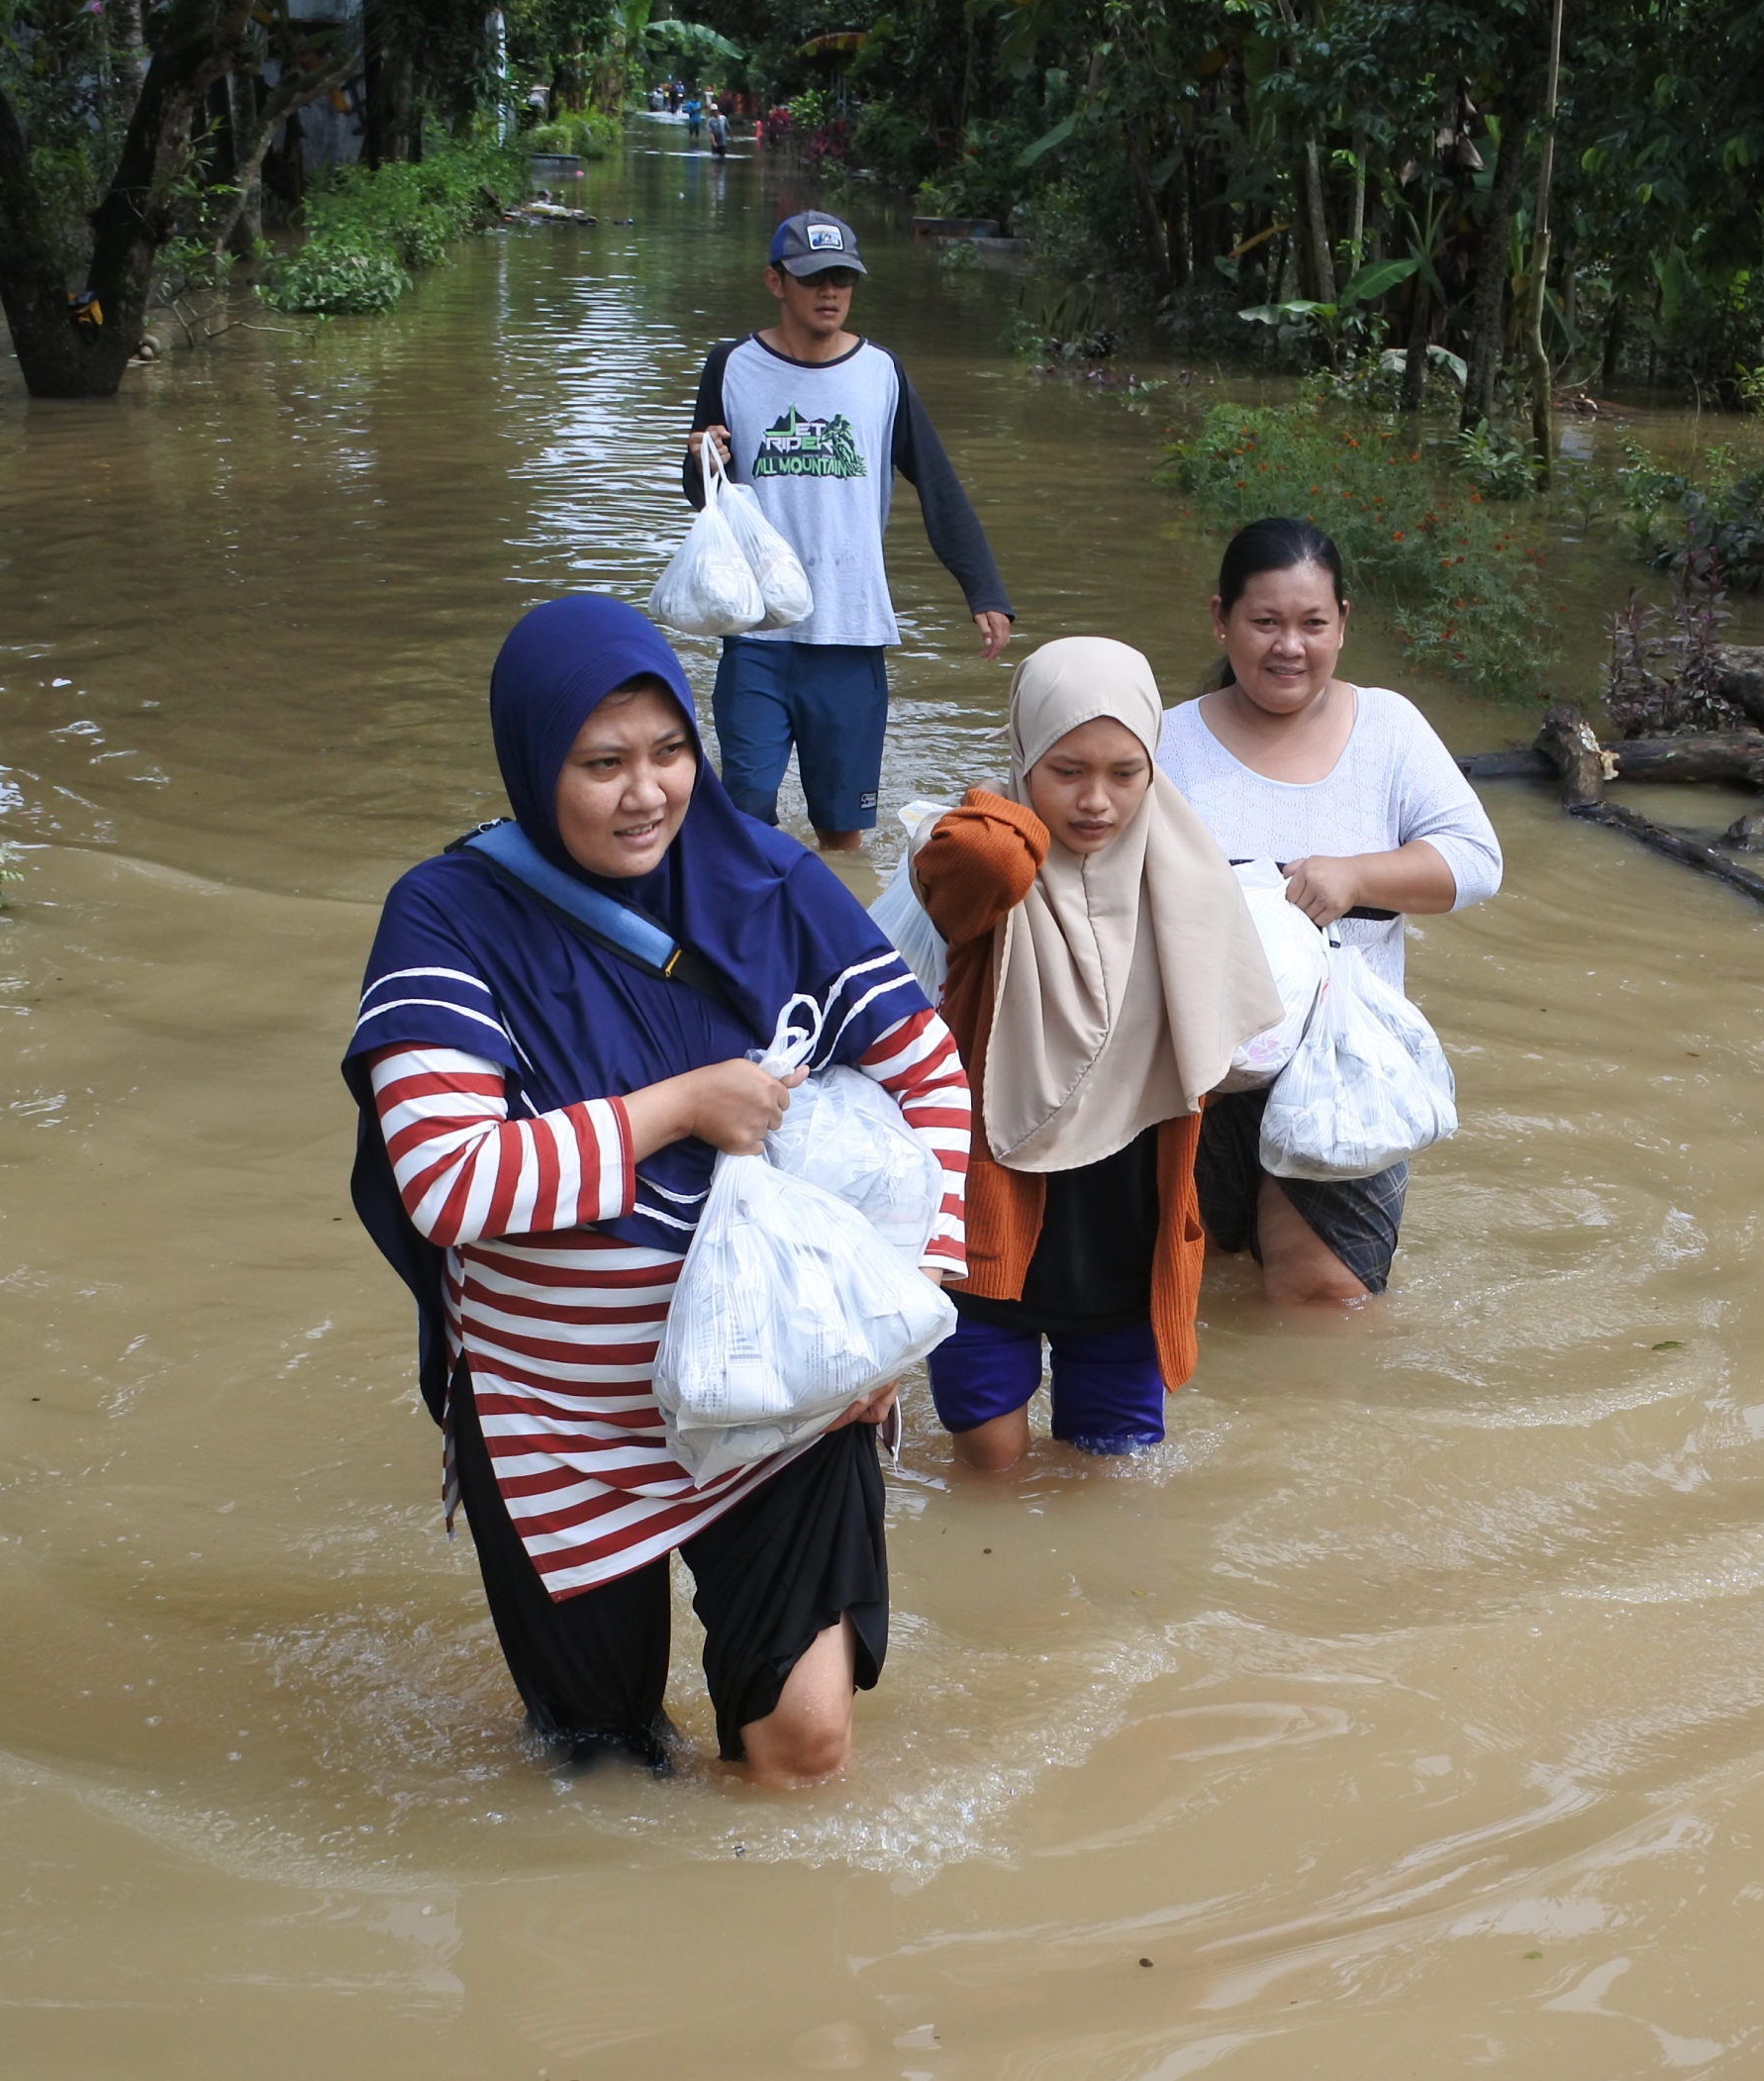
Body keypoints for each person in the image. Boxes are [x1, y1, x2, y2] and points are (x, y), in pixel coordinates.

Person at [342, 595, 973, 1786]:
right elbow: (448, 1181)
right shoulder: (449, 917)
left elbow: (930, 1079)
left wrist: (904, 1310)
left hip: (787, 1395)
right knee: (603, 1767)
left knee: (803, 1744)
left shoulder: (770, 884)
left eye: (670, 750)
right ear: (535, 762)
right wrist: (677, 1107)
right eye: (602, 763)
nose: (647, 793)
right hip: (554, 1427)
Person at [908, 640, 1281, 1473]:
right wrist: (1012, 811)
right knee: (990, 1468)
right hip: (988, 1231)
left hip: (1127, 1233)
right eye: (1065, 768)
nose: (1096, 802)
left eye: (1126, 772)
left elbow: (1220, 1064)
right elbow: (977, 856)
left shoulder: (1187, 875)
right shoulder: (984, 875)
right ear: (1021, 752)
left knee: (1114, 1478)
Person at [1157, 518, 1502, 1309]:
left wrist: (1354, 877)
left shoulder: (1387, 729)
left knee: (1324, 1294)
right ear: (1221, 619)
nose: (1290, 646)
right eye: (1265, 622)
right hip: (1200, 1073)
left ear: (1343, 622)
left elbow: (1477, 863)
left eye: (1313, 623)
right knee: (1194, 1286)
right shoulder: (1167, 743)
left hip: (1347, 1066)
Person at [679, 210, 1013, 853]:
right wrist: (702, 460)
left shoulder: (880, 374)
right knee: (745, 809)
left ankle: (829, 933)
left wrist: (985, 589)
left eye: (842, 278)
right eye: (813, 279)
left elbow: (936, 483)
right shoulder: (731, 366)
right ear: (776, 282)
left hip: (852, 633)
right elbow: (702, 494)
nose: (830, 292)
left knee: (841, 830)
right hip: (757, 632)